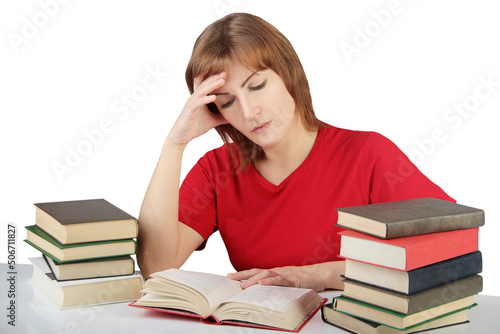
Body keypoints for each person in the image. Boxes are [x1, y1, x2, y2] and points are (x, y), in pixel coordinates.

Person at [137, 13, 453, 292]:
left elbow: (448, 247)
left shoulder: (367, 154)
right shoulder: (217, 170)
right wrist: (174, 145)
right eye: (227, 100)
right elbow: (156, 269)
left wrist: (321, 274)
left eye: (257, 85)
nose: (248, 112)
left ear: (288, 74)